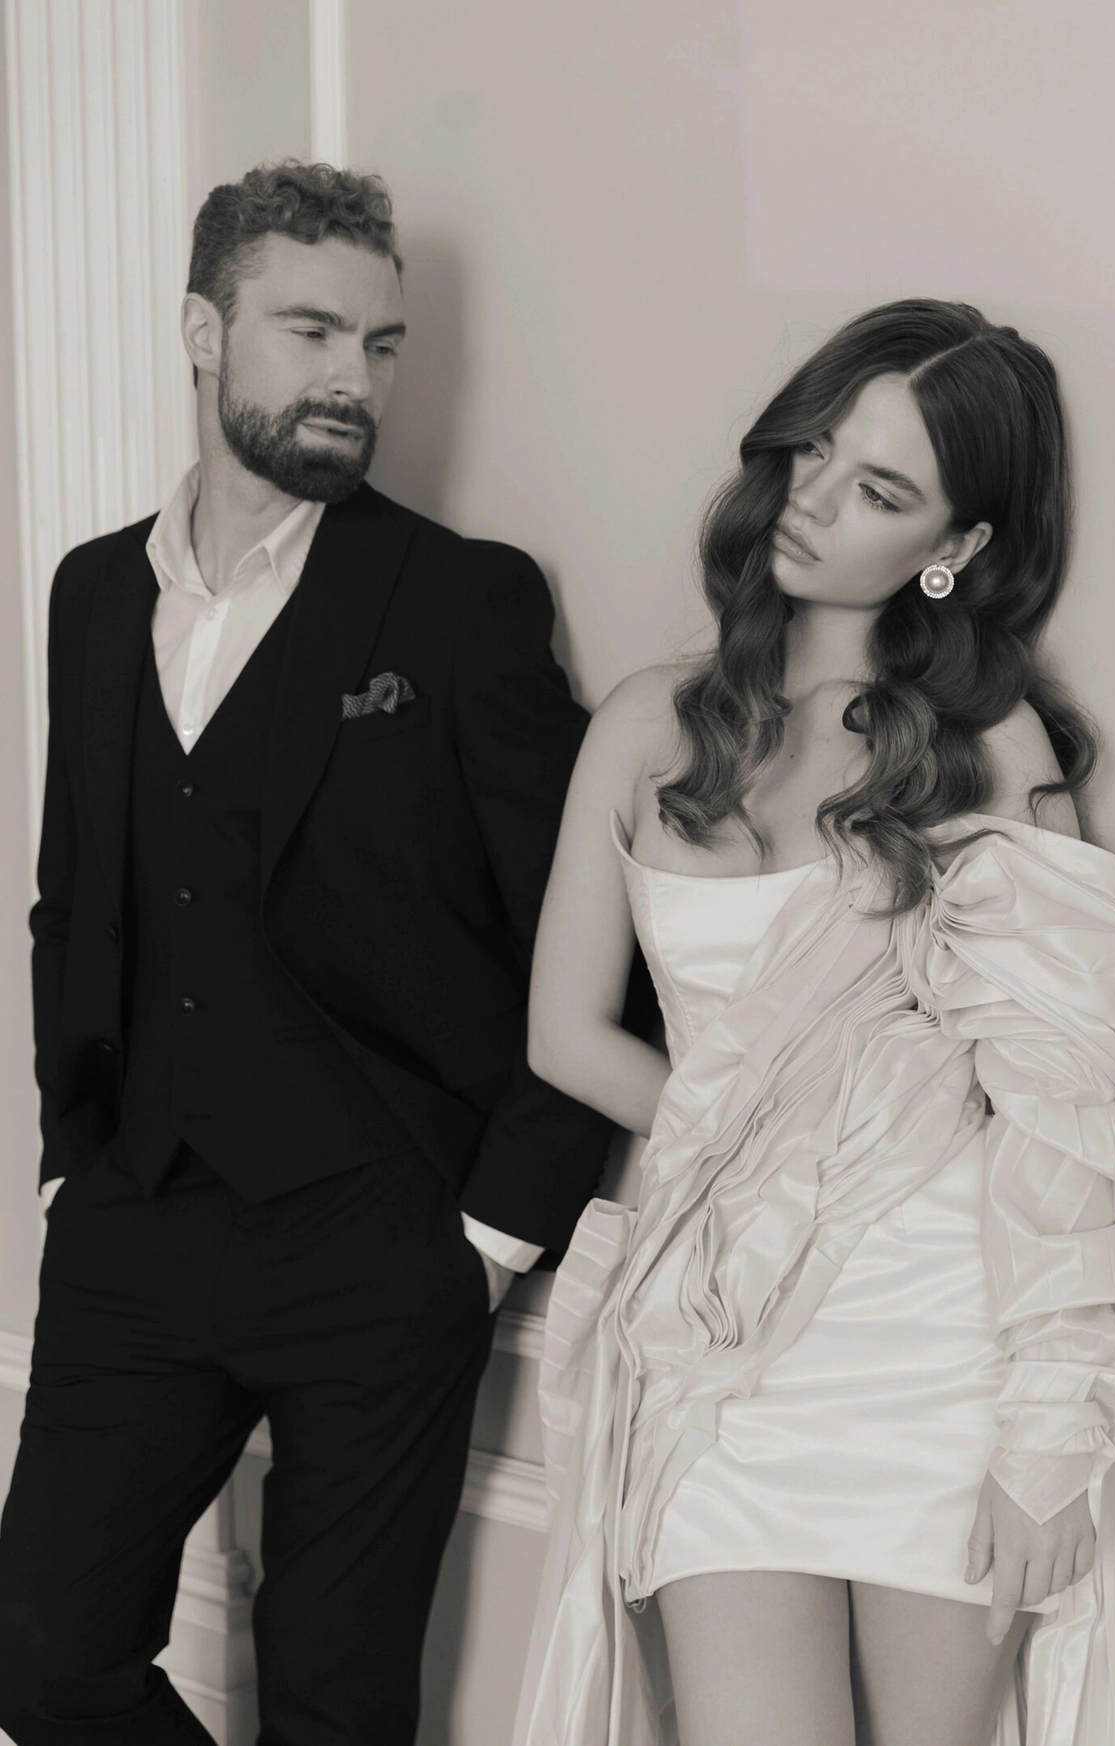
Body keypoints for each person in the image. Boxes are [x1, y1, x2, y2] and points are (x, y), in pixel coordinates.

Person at [0, 160, 614, 1746]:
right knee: (43, 1660)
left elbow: (587, 929)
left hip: (381, 1236)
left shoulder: (463, 602)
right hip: (137, 1217)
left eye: (383, 344)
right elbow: (73, 897)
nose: (356, 378)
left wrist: (490, 1238)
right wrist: (72, 1154)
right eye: (312, 331)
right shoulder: (92, 593)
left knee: (337, 1707)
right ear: (204, 331)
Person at [513, 300, 1115, 1746]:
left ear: (957, 544)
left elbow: (1069, 1105)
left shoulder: (990, 746)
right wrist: (769, 1143)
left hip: (941, 1345)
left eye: (880, 488)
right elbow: (564, 1036)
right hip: (722, 1339)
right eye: (815, 449)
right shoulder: (644, 726)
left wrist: (1049, 1434)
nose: (813, 499)